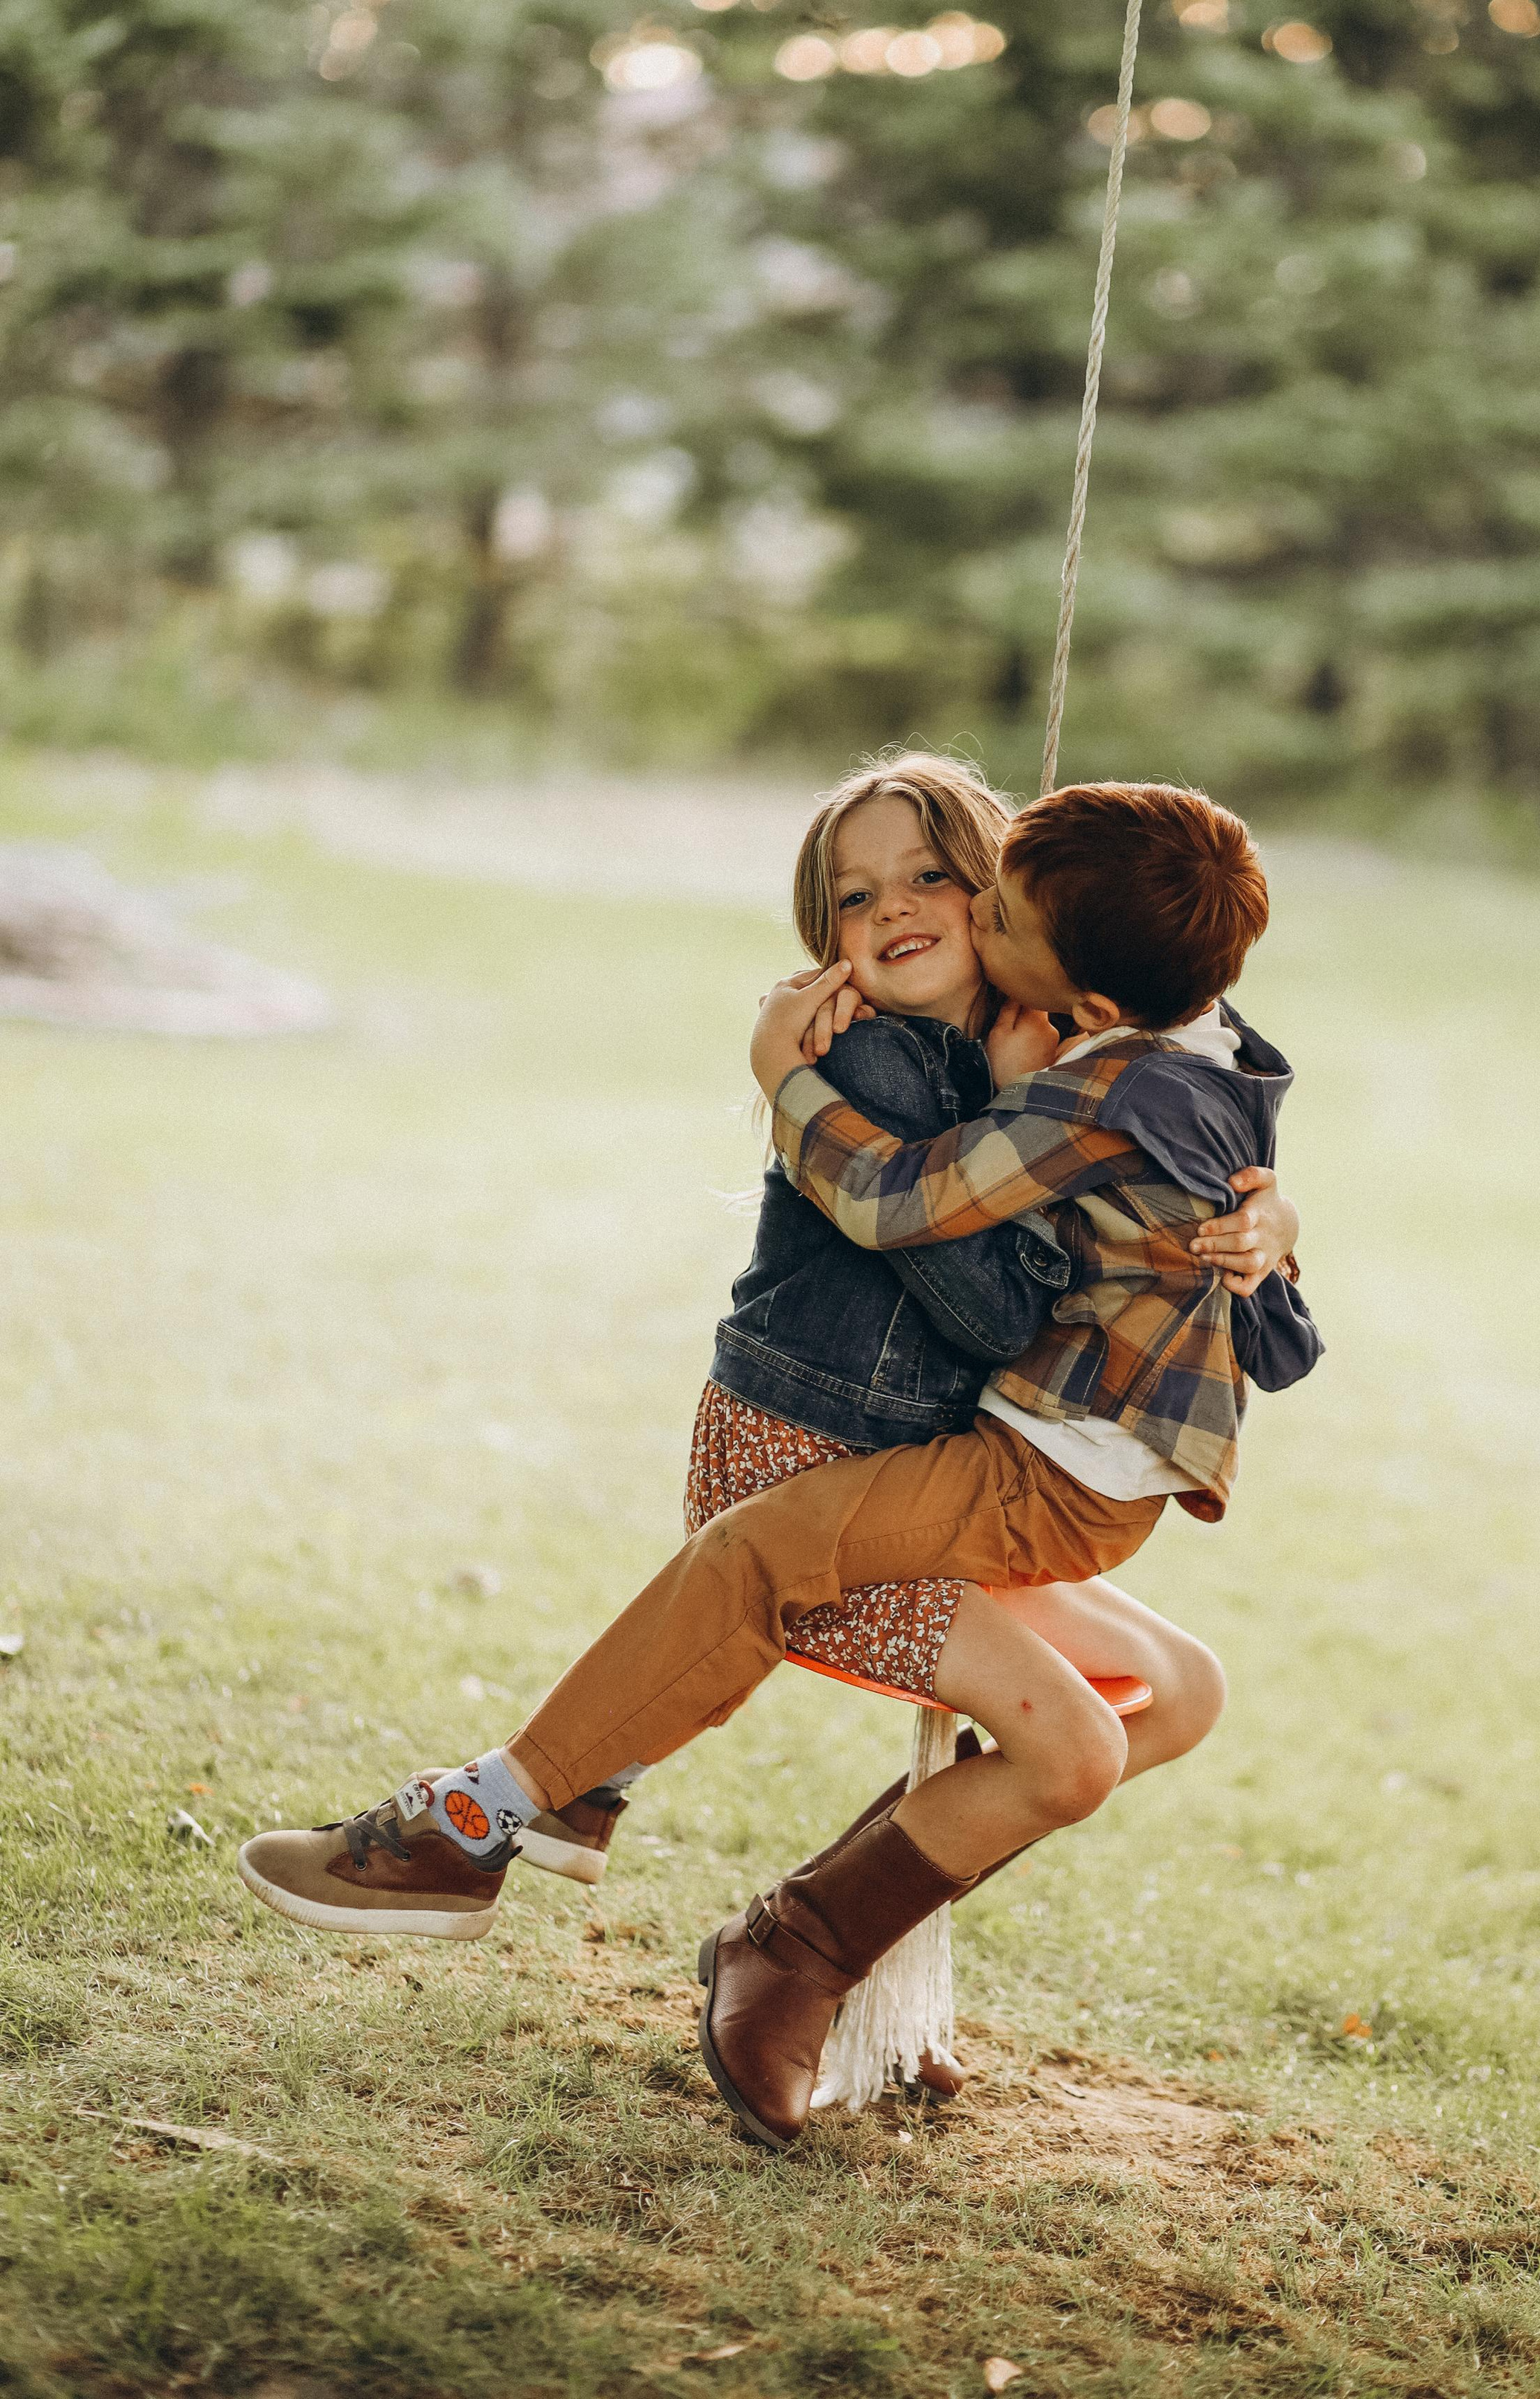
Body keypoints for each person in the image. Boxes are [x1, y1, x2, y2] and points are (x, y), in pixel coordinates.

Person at [240, 775, 1318, 2152]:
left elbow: (1196, 1109)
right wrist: (795, 1077)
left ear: (1006, 903)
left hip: (966, 1471)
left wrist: (1260, 1216)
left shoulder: (1077, 1057)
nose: (902, 912)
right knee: (1074, 1748)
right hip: (802, 1455)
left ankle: (786, 1918)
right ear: (824, 934)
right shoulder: (875, 1059)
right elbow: (986, 1302)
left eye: (939, 879)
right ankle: (632, 1874)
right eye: (856, 897)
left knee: (1182, 1692)